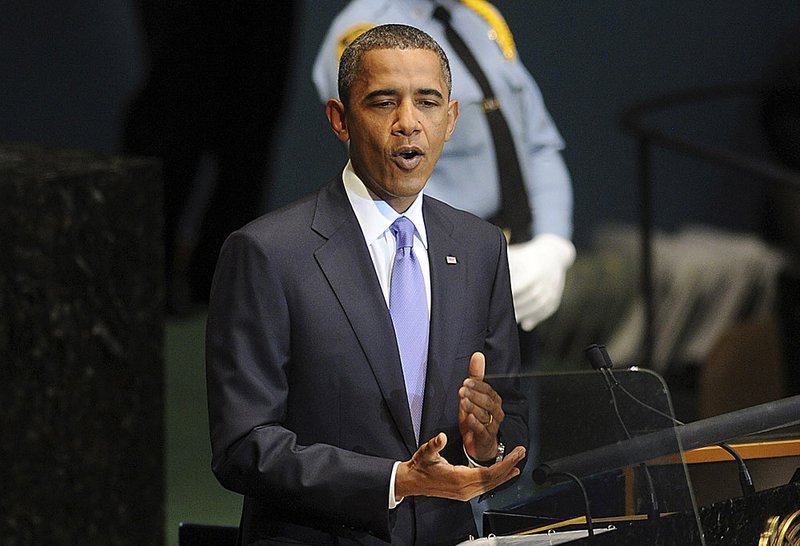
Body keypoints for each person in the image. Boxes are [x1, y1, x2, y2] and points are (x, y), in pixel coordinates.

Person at [206, 24, 528, 545]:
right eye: (383, 103)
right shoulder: (267, 253)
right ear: (340, 119)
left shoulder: (480, 247)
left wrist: (485, 445)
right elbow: (244, 445)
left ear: (450, 120)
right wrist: (394, 481)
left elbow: (511, 415)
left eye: (427, 102)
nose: (408, 124)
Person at [313, 0, 576, 354]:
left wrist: (552, 244)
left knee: (514, 402)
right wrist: (471, 253)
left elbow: (539, 143)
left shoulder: (477, 18)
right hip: (440, 270)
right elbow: (391, 168)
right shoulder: (367, 30)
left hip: (522, 266)